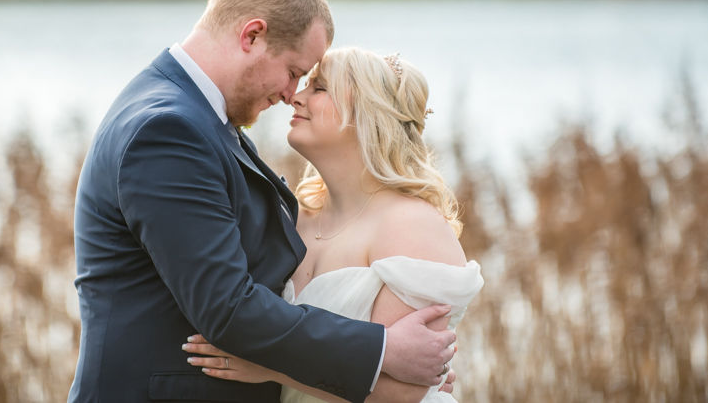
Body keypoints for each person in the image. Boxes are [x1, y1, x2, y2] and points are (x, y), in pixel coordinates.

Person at [68, 0, 459, 402]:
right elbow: (228, 307)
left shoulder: (201, 120)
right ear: (251, 36)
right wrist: (382, 351)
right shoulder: (169, 130)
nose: (293, 93)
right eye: (294, 72)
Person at [182, 47, 483, 402]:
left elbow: (404, 394)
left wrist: (268, 367)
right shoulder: (294, 217)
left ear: (369, 113)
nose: (295, 97)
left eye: (319, 88)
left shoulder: (412, 226)